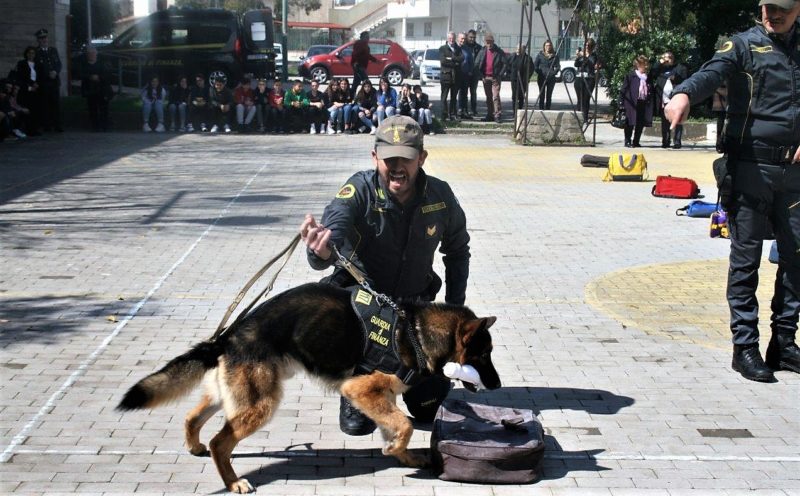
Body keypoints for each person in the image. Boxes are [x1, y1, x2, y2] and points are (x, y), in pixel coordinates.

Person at [299, 114, 470, 435]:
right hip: (363, 312)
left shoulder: (440, 196)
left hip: (412, 315)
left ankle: (402, 380)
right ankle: (356, 380)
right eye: (388, 159)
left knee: (428, 408)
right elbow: (331, 233)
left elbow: (458, 251)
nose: (397, 168)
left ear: (421, 158)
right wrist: (320, 252)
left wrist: (454, 311)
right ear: (375, 157)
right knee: (358, 425)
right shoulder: (358, 190)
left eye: (405, 159)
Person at [665, 0, 800, 383]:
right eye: (767, 8)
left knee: (796, 260)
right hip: (750, 169)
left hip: (795, 174)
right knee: (746, 262)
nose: (772, 16)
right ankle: (745, 348)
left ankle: (784, 344)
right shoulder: (742, 45)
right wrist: (684, 95)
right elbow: (712, 72)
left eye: (782, 10)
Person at [651, 51, 688, 148]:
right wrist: (660, 62)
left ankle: (677, 142)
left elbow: (684, 78)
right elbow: (652, 73)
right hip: (664, 100)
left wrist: (675, 78)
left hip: (675, 99)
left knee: (678, 120)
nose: (667, 60)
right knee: (665, 122)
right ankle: (665, 141)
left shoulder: (679, 67)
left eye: (669, 58)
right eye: (665, 58)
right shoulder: (660, 69)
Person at [619, 54, 655, 148]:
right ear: (639, 65)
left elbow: (651, 89)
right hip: (631, 103)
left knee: (640, 123)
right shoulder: (631, 75)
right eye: (644, 64)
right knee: (630, 122)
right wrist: (621, 102)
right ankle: (627, 141)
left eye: (647, 64)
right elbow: (624, 89)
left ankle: (636, 141)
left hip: (643, 102)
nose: (646, 66)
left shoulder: (647, 77)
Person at [33, 28, 62, 132]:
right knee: (45, 104)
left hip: (54, 81)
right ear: (38, 40)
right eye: (41, 38)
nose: (44, 40)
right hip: (44, 82)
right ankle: (47, 125)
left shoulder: (53, 50)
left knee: (56, 104)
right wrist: (47, 74)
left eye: (45, 37)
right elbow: (36, 67)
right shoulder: (36, 52)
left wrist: (55, 71)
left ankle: (57, 125)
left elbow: (58, 63)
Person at [80, 45, 114, 132]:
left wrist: (99, 77)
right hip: (90, 90)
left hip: (102, 90)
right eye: (89, 54)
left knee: (104, 109)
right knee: (92, 109)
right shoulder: (84, 65)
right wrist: (90, 77)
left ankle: (104, 126)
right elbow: (81, 75)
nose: (91, 55)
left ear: (96, 54)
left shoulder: (102, 64)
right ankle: (95, 127)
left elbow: (108, 75)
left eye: (93, 53)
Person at [475, 32, 506, 123]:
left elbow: (505, 64)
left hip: (495, 77)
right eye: (487, 42)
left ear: (493, 42)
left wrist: (500, 74)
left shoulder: (499, 51)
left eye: (490, 42)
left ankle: (497, 114)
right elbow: (477, 64)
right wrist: (481, 76)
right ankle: (490, 114)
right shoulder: (482, 51)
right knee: (488, 97)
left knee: (495, 96)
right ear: (485, 42)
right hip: (485, 77)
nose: (489, 44)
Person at [15, 47, 42, 135]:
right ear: (26, 54)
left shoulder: (37, 64)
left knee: (35, 110)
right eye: (29, 53)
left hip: (36, 90)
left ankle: (34, 129)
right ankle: (27, 129)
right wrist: (31, 84)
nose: (31, 55)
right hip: (26, 89)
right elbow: (22, 76)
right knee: (27, 109)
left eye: (33, 53)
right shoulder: (22, 63)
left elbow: (40, 76)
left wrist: (36, 84)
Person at [439, 31, 463, 121]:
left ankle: (452, 114)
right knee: (444, 97)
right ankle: (444, 115)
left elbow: (461, 58)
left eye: (453, 38)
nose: (451, 40)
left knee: (454, 97)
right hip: (446, 76)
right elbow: (443, 61)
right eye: (450, 38)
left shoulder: (458, 48)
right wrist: (455, 62)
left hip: (456, 77)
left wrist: (452, 58)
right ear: (447, 39)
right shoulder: (442, 49)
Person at [573, 38, 599, 123]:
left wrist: (584, 55)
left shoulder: (594, 55)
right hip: (580, 78)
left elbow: (592, 63)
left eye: (589, 45)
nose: (587, 47)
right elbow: (576, 64)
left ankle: (585, 118)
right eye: (586, 45)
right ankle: (578, 117)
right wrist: (578, 56)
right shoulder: (581, 54)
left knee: (586, 98)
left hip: (589, 79)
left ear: (592, 46)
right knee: (579, 98)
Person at [533, 40, 560, 110]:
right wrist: (540, 72)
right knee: (542, 95)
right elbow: (535, 66)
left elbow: (558, 66)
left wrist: (553, 73)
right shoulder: (540, 55)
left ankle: (548, 109)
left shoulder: (555, 56)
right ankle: (541, 109)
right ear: (544, 47)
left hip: (551, 78)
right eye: (546, 46)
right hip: (542, 77)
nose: (548, 47)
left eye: (549, 46)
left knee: (549, 95)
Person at [351, 31, 377, 99]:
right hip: (359, 67)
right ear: (362, 37)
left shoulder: (365, 45)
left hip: (361, 66)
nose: (368, 39)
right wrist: (356, 63)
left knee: (356, 83)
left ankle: (351, 97)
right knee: (367, 82)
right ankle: (371, 96)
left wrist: (375, 60)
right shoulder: (359, 44)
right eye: (367, 37)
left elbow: (367, 55)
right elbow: (355, 54)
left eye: (368, 37)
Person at [507, 44, 534, 110]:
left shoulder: (528, 58)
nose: (518, 50)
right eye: (517, 48)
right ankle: (514, 111)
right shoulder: (512, 56)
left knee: (521, 95)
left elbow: (531, 69)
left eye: (520, 48)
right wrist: (509, 74)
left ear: (524, 50)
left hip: (523, 80)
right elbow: (507, 65)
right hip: (514, 79)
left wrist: (527, 77)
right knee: (514, 96)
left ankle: (520, 109)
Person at [462, 29, 482, 117]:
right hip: (465, 73)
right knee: (464, 92)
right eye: (470, 37)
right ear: (467, 37)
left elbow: (481, 60)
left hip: (475, 73)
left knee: (473, 92)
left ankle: (474, 109)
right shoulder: (463, 46)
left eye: (474, 37)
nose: (472, 39)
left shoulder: (478, 47)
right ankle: (464, 109)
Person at [456, 32, 475, 119]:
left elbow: (471, 61)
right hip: (457, 74)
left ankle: (464, 110)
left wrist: (470, 71)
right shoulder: (455, 48)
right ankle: (457, 110)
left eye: (464, 39)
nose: (463, 40)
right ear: (458, 39)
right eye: (461, 39)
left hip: (466, 74)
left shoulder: (467, 49)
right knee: (457, 93)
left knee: (465, 93)